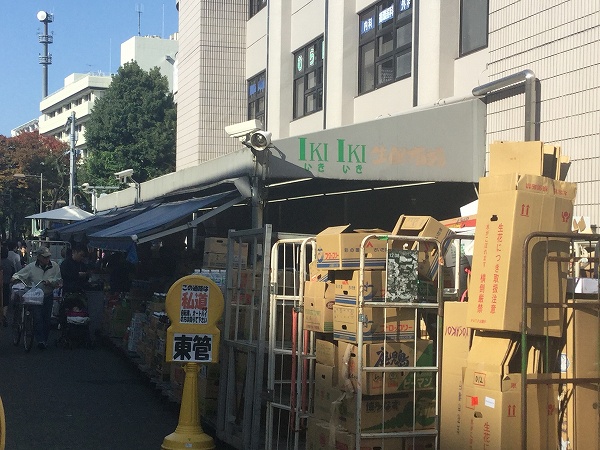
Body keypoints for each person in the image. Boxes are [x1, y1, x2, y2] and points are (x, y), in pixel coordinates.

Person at [11, 247, 62, 350]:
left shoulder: (55, 266)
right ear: (39, 257)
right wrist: (14, 278)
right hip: (35, 297)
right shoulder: (31, 267)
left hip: (48, 294)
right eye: (44, 257)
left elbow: (58, 279)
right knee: (38, 317)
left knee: (47, 319)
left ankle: (44, 339)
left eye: (48, 257)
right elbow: (19, 274)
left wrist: (50, 281)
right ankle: (41, 340)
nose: (47, 259)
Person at [60, 245, 89, 311]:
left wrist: (85, 275)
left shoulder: (82, 265)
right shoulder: (66, 263)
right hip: (68, 292)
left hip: (80, 293)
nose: (82, 257)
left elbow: (86, 277)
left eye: (83, 256)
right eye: (80, 255)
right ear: (74, 252)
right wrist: (77, 275)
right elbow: (64, 275)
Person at [1, 245, 15, 327]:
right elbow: (13, 273)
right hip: (6, 284)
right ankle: (4, 315)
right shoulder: (10, 263)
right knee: (5, 301)